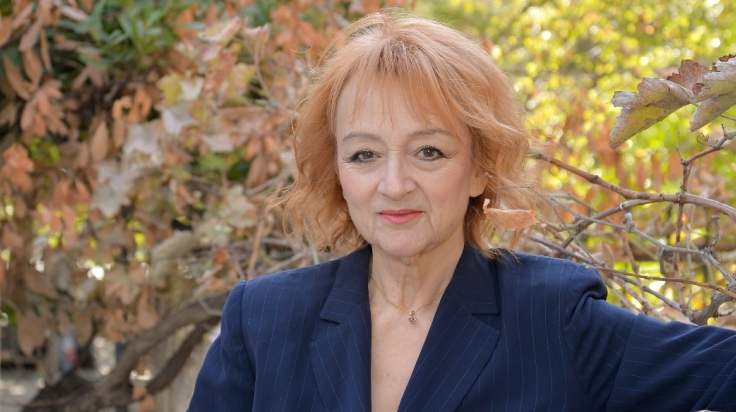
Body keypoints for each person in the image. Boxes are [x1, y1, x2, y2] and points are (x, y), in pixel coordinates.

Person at [188, 11, 736, 411]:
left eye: (429, 151)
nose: (394, 185)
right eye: (364, 155)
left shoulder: (553, 318)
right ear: (338, 171)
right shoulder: (262, 321)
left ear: (479, 169)